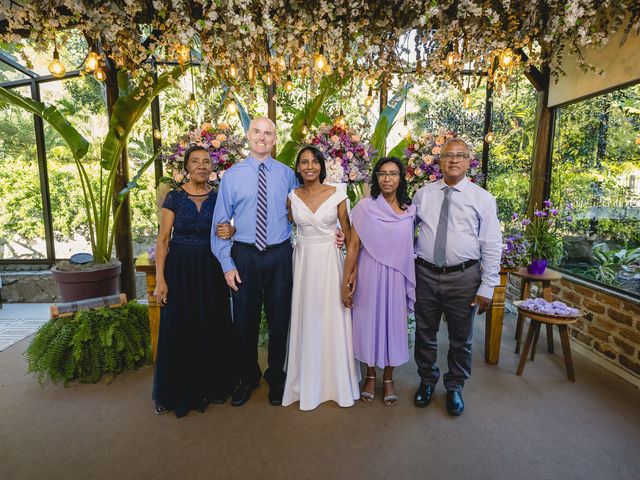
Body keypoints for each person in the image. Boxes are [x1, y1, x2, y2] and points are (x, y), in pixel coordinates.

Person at [211, 117, 297, 407]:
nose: (262, 137)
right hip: (244, 255)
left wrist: (334, 232)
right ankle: (247, 377)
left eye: (268, 133)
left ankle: (276, 377)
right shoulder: (232, 177)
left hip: (280, 254)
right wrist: (227, 264)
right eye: (257, 131)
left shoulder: (288, 175)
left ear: (275, 140)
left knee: (280, 320)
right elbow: (220, 225)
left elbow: (304, 212)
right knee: (244, 323)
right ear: (248, 135)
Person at [412, 138, 501, 416]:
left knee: (461, 338)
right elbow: (402, 229)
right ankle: (427, 381)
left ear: (468, 161)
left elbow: (491, 243)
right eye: (448, 155)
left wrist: (488, 285)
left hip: (464, 277)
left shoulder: (482, 199)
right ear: (440, 161)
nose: (453, 160)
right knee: (425, 333)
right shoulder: (423, 194)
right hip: (425, 274)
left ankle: (455, 386)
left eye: (460, 155)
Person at [153, 145, 236, 418]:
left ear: (212, 167)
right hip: (180, 269)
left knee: (211, 323)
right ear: (186, 167)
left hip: (211, 268)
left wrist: (232, 229)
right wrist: (160, 280)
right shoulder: (174, 198)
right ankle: (172, 390)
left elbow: (231, 226)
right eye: (195, 161)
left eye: (206, 161)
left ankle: (212, 386)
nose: (201, 166)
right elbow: (163, 240)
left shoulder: (219, 196)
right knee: (179, 325)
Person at [282, 146, 360, 410]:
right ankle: (306, 381)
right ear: (298, 167)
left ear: (321, 166)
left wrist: (351, 274)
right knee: (307, 317)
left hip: (329, 262)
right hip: (303, 262)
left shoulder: (337, 193)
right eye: (303, 162)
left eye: (314, 161)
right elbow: (285, 227)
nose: (309, 166)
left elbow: (348, 235)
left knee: (331, 317)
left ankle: (335, 381)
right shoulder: (291, 196)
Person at [341, 156, 416, 407]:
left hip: (395, 277)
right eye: (382, 173)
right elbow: (353, 246)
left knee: (393, 325)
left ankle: (389, 378)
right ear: (375, 177)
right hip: (369, 272)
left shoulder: (409, 211)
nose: (387, 178)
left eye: (393, 173)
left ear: (401, 178)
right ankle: (370, 376)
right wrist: (346, 280)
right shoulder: (364, 207)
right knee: (368, 324)